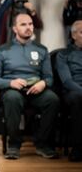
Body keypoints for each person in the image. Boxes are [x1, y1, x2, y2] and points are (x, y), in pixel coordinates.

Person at [0, 11, 59, 160]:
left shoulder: (41, 49)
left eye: (30, 24)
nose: (28, 27)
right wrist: (10, 83)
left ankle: (42, 144)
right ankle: (14, 145)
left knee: (52, 99)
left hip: (36, 90)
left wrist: (43, 83)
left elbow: (49, 77)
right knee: (12, 99)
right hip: (13, 90)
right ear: (15, 29)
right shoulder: (3, 50)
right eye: (23, 24)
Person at [56, 19, 82, 162]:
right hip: (73, 91)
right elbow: (67, 81)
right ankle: (77, 148)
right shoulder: (64, 54)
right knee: (77, 98)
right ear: (73, 35)